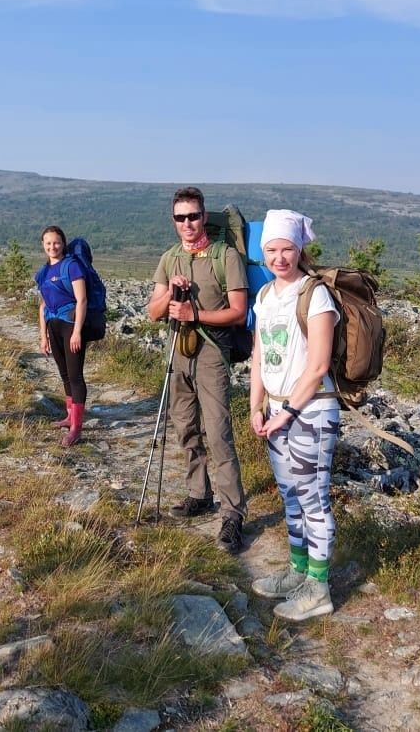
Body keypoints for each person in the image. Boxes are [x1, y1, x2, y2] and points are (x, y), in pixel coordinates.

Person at [248, 209, 340, 621]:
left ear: (300, 248)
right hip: (277, 409)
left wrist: (285, 412)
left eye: (287, 249)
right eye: (271, 250)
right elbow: (259, 356)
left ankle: (319, 589)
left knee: (313, 499)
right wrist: (256, 404)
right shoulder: (265, 296)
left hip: (311, 411)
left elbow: (318, 365)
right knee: (291, 497)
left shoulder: (315, 294)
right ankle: (297, 572)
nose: (279, 258)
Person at [147, 187, 248, 553]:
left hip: (211, 352)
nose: (187, 223)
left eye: (193, 216)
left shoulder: (226, 257)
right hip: (178, 351)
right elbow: (153, 312)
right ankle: (198, 494)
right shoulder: (169, 259)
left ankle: (233, 514)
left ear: (204, 217)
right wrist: (170, 294)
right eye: (180, 217)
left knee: (218, 433)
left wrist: (195, 314)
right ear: (173, 221)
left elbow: (238, 311)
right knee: (185, 426)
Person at [36, 226, 89, 447]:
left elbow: (82, 300)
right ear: (43, 245)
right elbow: (42, 306)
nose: (52, 247)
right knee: (64, 374)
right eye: (48, 243)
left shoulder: (72, 267)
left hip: (70, 324)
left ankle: (77, 427)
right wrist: (43, 336)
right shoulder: (43, 272)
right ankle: (70, 416)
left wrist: (77, 331)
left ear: (63, 243)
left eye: (56, 242)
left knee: (75, 375)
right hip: (53, 326)